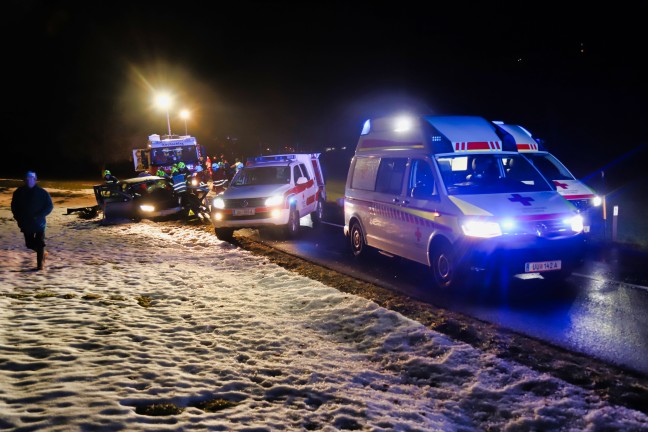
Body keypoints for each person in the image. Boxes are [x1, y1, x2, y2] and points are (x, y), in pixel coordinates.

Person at [11, 171, 54, 270]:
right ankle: (43, 252)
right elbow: (14, 207)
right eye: (27, 179)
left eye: (31, 179)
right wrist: (18, 218)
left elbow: (49, 206)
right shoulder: (18, 192)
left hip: (39, 223)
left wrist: (40, 215)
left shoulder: (42, 193)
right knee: (29, 244)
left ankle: (40, 266)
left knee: (40, 243)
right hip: (26, 223)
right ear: (24, 180)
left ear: (35, 180)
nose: (29, 181)